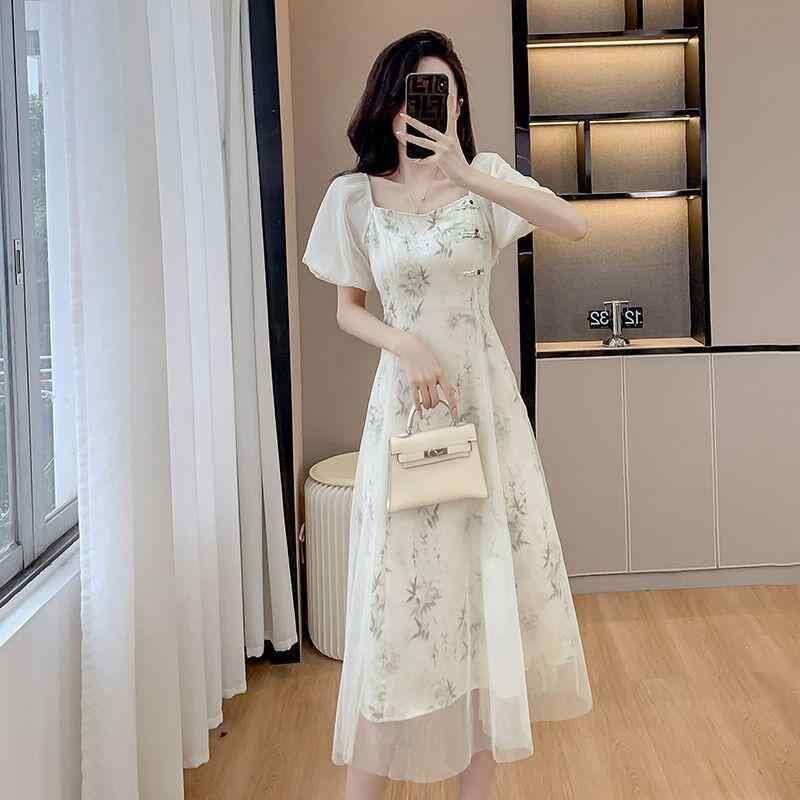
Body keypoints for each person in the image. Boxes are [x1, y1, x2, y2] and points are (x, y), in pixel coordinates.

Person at [302, 28, 593, 800]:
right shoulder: (354, 197)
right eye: (413, 92)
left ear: (458, 104)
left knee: (485, 604)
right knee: (395, 611)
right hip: (405, 414)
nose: (427, 105)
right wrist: (402, 343)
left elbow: (572, 225)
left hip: (484, 414)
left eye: (442, 92)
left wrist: (465, 171)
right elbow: (347, 310)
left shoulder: (484, 180)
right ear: (390, 104)